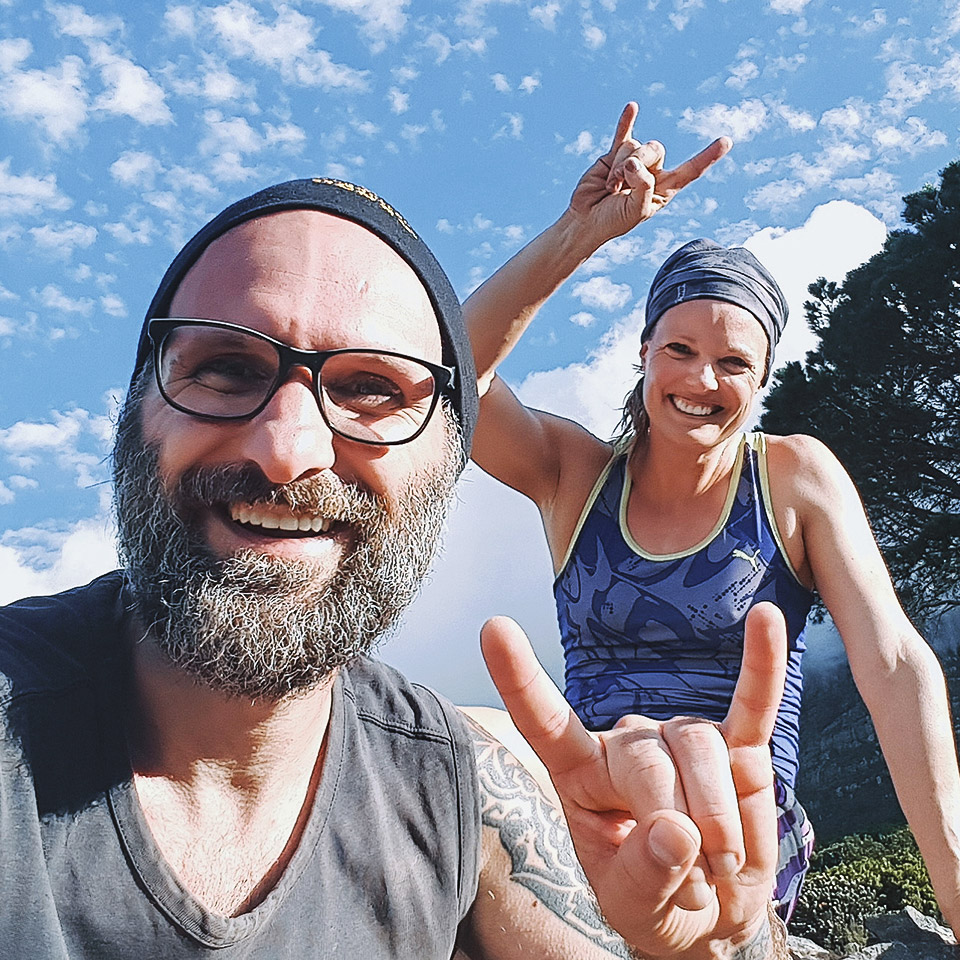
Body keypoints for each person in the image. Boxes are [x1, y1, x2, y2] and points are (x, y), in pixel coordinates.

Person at [0, 177, 792, 958]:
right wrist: (575, 235)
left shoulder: (454, 782)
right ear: (136, 404)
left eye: (371, 389)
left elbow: (896, 663)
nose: (288, 452)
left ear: (448, 458)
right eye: (227, 369)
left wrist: (689, 945)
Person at [463, 103, 960, 930]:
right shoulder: (576, 475)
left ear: (760, 381)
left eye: (734, 362)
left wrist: (954, 881)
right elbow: (452, 374)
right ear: (645, 354)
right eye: (680, 349)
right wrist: (578, 237)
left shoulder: (791, 475)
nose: (702, 379)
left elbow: (895, 665)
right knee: (442, 741)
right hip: (584, 813)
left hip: (736, 820)